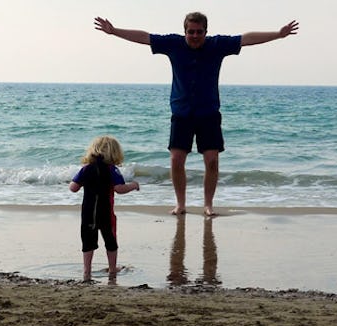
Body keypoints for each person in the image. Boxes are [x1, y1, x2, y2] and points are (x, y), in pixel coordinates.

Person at [93, 12, 298, 217]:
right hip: (181, 113)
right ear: (185, 32)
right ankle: (180, 204)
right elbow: (145, 37)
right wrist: (114, 31)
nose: (195, 36)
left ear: (205, 32)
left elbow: (246, 39)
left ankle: (208, 205)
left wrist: (278, 34)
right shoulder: (174, 44)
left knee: (212, 161)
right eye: (191, 32)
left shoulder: (217, 45)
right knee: (176, 160)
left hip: (208, 113)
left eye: (199, 32)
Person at [69, 135, 140, 282]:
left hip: (88, 213)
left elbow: (73, 188)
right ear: (114, 153)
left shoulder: (86, 169)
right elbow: (119, 189)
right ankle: (112, 270)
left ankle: (86, 271)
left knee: (88, 242)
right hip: (106, 212)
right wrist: (133, 185)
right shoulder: (112, 170)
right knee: (110, 240)